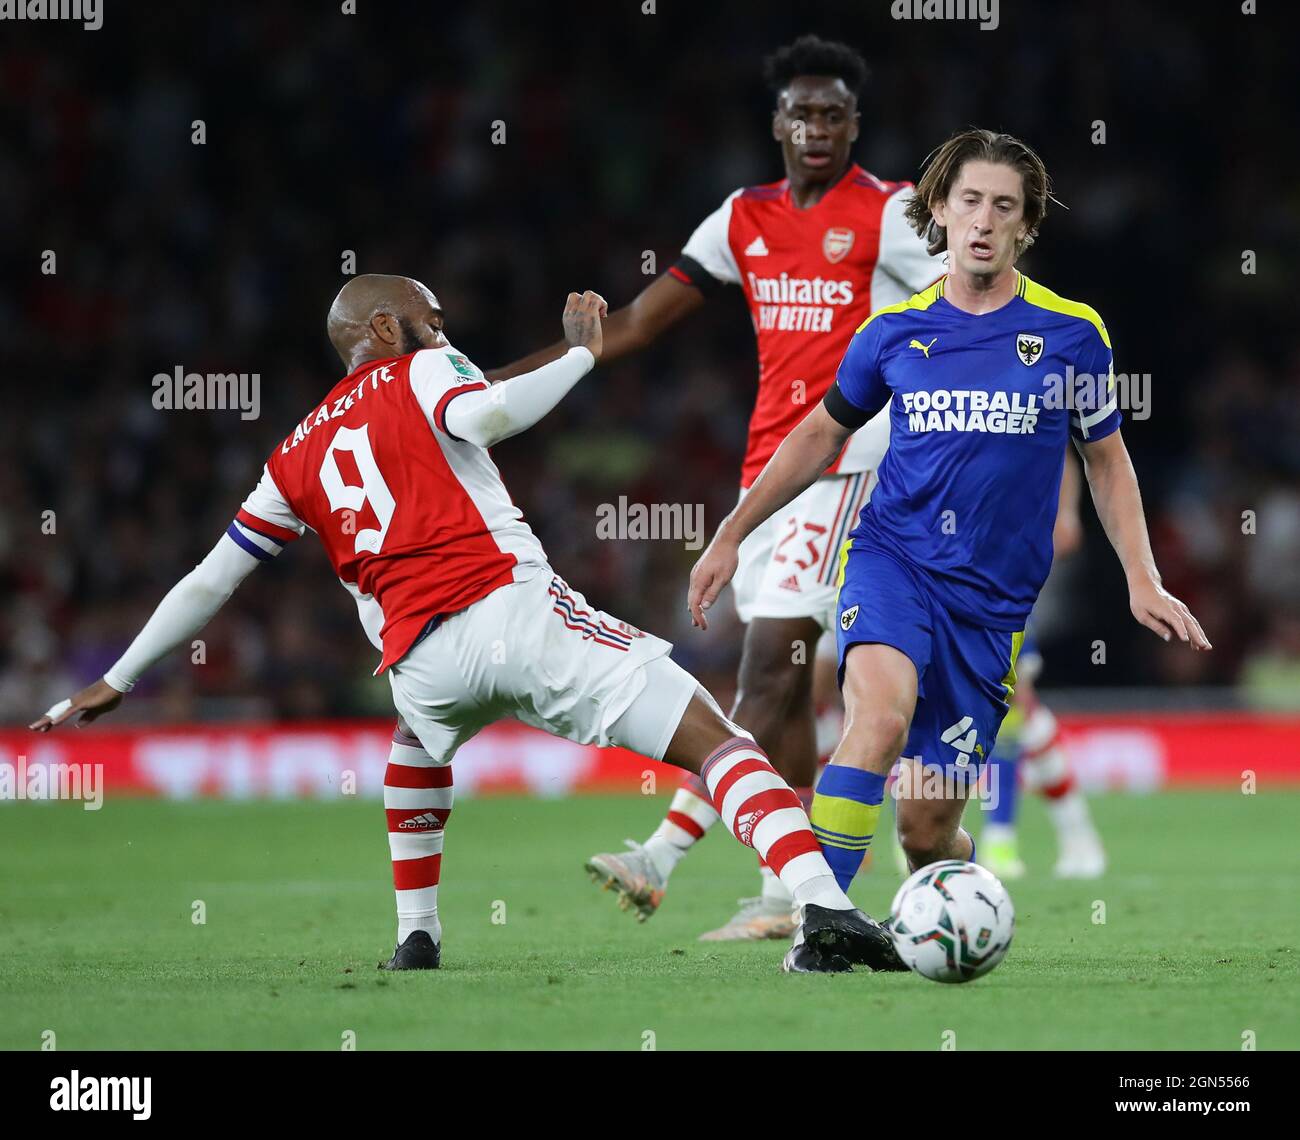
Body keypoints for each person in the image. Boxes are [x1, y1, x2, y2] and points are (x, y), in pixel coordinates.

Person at [31, 274, 902, 975]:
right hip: (513, 612)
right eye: (431, 321)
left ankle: (418, 935)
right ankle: (825, 906)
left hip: (421, 665)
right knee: (720, 741)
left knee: (414, 747)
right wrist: (578, 356)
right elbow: (487, 415)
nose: (446, 336)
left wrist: (120, 677)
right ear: (383, 329)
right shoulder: (420, 371)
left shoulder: (292, 455)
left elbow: (207, 579)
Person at [687, 129, 1210, 972]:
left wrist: (1141, 579)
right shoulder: (893, 332)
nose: (983, 221)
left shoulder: (1072, 334)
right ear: (938, 209)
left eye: (1005, 206)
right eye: (968, 201)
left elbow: (1106, 457)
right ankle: (823, 927)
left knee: (928, 828)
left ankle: (952, 904)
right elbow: (820, 432)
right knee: (878, 720)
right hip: (893, 563)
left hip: (992, 606)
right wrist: (731, 533)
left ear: (1026, 226)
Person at [493, 34, 942, 940]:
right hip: (772, 471)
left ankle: (673, 858)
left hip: (852, 462)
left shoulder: (893, 214)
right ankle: (786, 897)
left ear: (856, 124)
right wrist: (486, 390)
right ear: (776, 123)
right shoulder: (742, 218)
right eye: (801, 112)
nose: (816, 127)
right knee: (782, 682)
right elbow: (633, 328)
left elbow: (967, 303)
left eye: (833, 113)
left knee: (768, 660)